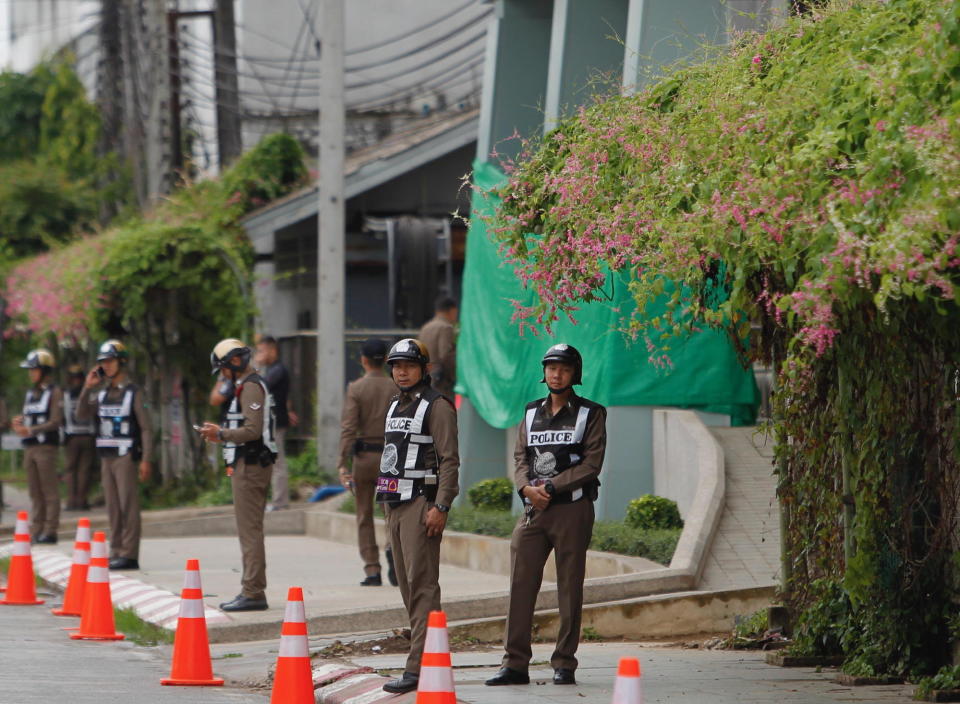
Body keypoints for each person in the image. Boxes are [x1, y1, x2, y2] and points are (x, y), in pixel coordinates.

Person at [485, 343, 607, 688]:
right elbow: (520, 457)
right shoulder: (529, 412)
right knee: (520, 585)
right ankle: (514, 664)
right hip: (532, 512)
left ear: (575, 374)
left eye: (564, 369)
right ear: (544, 372)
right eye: (552, 368)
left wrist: (551, 488)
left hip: (572, 510)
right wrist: (525, 488)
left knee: (569, 587)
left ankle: (564, 664)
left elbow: (591, 464)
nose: (557, 374)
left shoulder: (591, 413)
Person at [376, 338, 459, 694]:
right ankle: (429, 657)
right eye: (396, 366)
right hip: (393, 503)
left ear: (424, 369)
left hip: (421, 504)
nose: (402, 371)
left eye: (409, 365)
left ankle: (418, 667)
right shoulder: (394, 404)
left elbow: (450, 460)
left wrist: (441, 506)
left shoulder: (437, 406)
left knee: (422, 586)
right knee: (408, 587)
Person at [200, 338, 277, 612]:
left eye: (223, 368)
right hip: (246, 463)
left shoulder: (252, 387)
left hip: (252, 465)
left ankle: (253, 592)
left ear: (234, 362)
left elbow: (252, 430)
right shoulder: (245, 385)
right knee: (248, 530)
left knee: (250, 531)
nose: (222, 375)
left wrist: (220, 435)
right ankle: (251, 589)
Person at [77, 340, 153, 569]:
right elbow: (81, 414)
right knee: (112, 506)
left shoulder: (133, 392)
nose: (106, 366)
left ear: (122, 362)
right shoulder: (101, 395)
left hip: (125, 456)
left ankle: (129, 554)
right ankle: (117, 549)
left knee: (127, 504)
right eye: (103, 362)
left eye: (110, 361)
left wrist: (147, 459)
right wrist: (87, 387)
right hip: (106, 457)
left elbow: (147, 428)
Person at [337, 338, 399, 587]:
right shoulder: (396, 387)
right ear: (385, 360)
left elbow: (348, 427)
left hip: (363, 459)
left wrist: (342, 462)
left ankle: (372, 569)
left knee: (364, 514)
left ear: (363, 360)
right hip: (391, 459)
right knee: (392, 512)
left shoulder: (356, 388)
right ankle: (393, 551)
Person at [11, 349, 63, 543]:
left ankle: (50, 530)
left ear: (44, 370)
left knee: (49, 490)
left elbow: (56, 421)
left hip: (45, 447)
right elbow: (29, 416)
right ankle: (37, 528)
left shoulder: (55, 392)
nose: (30, 373)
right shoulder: (30, 393)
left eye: (34, 369)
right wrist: (19, 422)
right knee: (34, 491)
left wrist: (31, 429)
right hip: (30, 448)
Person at [255, 336, 296, 511]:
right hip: (270, 421)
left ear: (272, 350)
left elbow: (260, 387)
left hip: (275, 422)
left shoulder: (278, 370)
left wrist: (254, 367)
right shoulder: (272, 369)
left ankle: (280, 502)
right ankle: (275, 500)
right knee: (270, 462)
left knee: (277, 463)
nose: (259, 354)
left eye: (261, 350)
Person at [63, 364, 97, 511]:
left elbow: (62, 417)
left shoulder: (65, 395)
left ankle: (72, 501)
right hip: (87, 435)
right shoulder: (90, 394)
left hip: (72, 436)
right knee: (84, 470)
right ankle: (82, 501)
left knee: (71, 470)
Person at [419, 296, 458, 399]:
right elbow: (445, 355)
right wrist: (454, 377)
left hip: (425, 376)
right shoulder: (446, 327)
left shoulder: (425, 327)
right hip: (441, 380)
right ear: (452, 310)